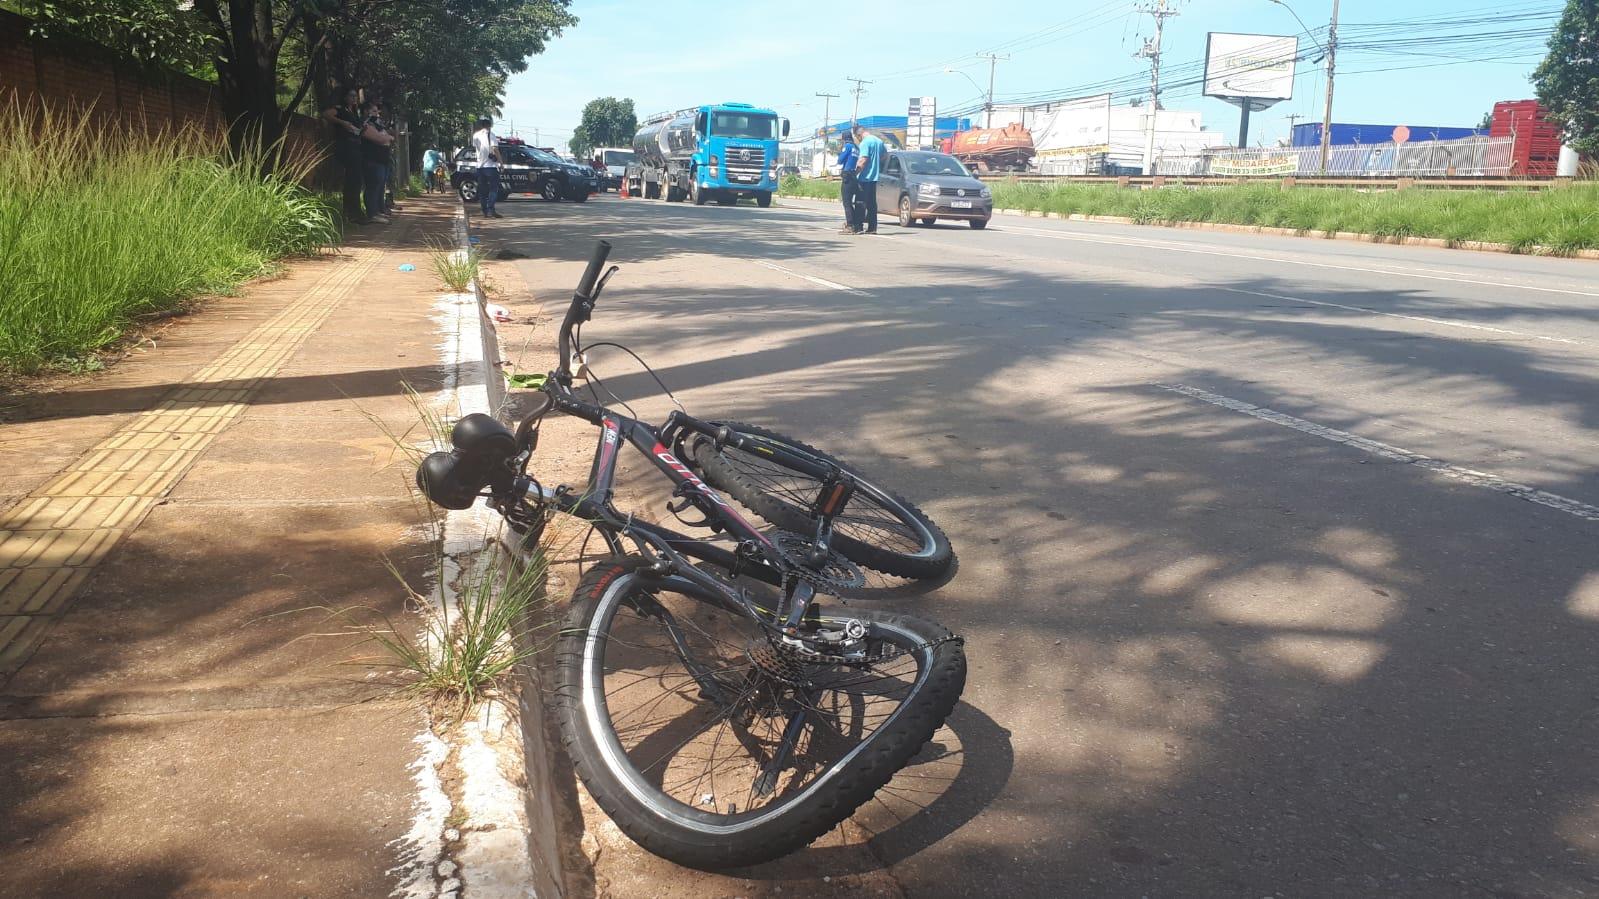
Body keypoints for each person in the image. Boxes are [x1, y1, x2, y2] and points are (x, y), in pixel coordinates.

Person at [321, 87, 366, 224]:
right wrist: (343, 123)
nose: (354, 98)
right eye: (351, 96)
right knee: (351, 180)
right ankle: (350, 213)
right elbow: (326, 114)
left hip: (356, 146)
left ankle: (355, 211)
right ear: (345, 97)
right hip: (346, 146)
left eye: (355, 96)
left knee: (356, 181)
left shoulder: (354, 111)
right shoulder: (339, 109)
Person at [360, 100, 396, 223]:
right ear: (366, 112)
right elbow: (380, 139)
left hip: (382, 160)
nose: (377, 114)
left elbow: (387, 138)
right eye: (374, 111)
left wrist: (387, 138)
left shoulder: (377, 125)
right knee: (373, 186)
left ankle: (379, 211)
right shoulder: (366, 124)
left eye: (377, 111)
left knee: (380, 186)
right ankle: (372, 213)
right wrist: (388, 138)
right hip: (372, 160)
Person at [853, 124, 885, 234]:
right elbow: (884, 156)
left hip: (864, 177)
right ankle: (872, 227)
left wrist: (855, 173)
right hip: (874, 177)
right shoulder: (879, 141)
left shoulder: (865, 142)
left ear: (859, 135)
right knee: (872, 204)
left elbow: (863, 159)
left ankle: (858, 227)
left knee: (860, 202)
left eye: (857, 138)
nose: (858, 140)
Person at [471, 117, 502, 218]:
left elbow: (477, 148)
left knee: (482, 190)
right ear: (490, 126)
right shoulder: (491, 135)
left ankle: (484, 211)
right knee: (494, 188)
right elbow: (495, 149)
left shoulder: (475, 136)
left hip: (480, 166)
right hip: (491, 167)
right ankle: (491, 209)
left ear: (481, 125)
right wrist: (501, 162)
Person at [836, 130, 861, 235]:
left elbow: (840, 160)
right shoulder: (856, 147)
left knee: (847, 202)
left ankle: (850, 225)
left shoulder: (848, 147)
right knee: (851, 202)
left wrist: (840, 153)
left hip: (847, 176)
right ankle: (856, 225)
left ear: (844, 139)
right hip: (854, 176)